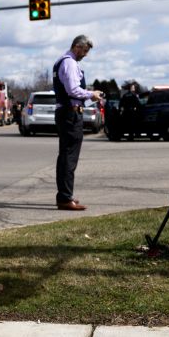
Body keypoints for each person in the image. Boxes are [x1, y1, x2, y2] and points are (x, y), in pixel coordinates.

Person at [52, 35, 105, 211]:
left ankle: (65, 195)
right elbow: (73, 90)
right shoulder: (69, 63)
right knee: (69, 157)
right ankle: (65, 198)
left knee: (66, 156)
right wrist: (91, 94)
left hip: (66, 113)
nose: (86, 54)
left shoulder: (63, 61)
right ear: (76, 47)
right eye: (85, 50)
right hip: (70, 114)